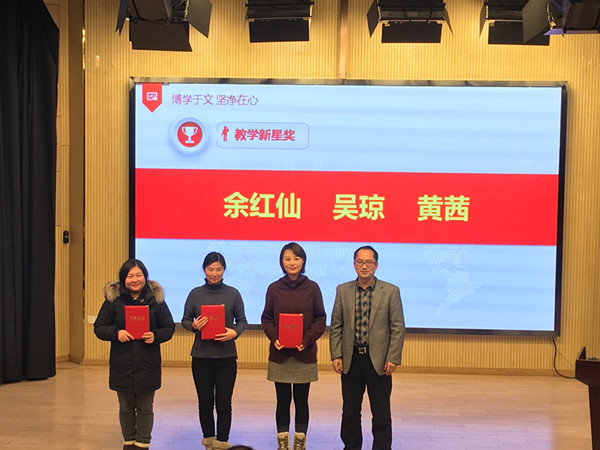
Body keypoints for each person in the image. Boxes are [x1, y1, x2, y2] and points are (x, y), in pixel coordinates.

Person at [329, 245, 406, 450]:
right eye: (360, 262)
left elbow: (397, 327)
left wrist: (393, 357)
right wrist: (336, 354)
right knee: (350, 411)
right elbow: (336, 325)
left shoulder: (390, 291)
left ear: (376, 265)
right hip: (351, 359)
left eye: (369, 262)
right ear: (354, 264)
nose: (364, 266)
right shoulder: (343, 290)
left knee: (381, 412)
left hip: (379, 361)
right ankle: (351, 446)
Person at [94, 259, 175, 450]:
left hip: (148, 363)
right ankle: (128, 442)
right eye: (130, 276)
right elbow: (99, 328)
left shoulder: (156, 301)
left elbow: (169, 328)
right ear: (123, 279)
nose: (135, 279)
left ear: (145, 277)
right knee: (126, 407)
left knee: (145, 407)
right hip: (122, 364)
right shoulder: (114, 301)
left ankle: (142, 443)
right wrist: (116, 333)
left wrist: (155, 336)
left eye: (139, 275)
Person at [261, 242, 327, 450]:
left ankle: (299, 442)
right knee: (282, 400)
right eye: (287, 259)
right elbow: (267, 318)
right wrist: (275, 338)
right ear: (281, 262)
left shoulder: (312, 288)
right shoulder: (274, 288)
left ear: (303, 261)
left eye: (296, 258)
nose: (292, 263)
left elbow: (320, 319)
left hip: (304, 353)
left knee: (301, 400)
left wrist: (306, 340)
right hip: (280, 354)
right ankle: (282, 442)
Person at [182, 252, 248, 450]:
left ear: (224, 270)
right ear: (204, 270)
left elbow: (242, 321)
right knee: (204, 402)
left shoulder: (233, 294)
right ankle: (209, 441)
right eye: (210, 269)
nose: (214, 273)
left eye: (218, 269)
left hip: (226, 357)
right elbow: (185, 320)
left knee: (224, 403)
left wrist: (234, 333)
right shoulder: (195, 294)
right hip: (201, 357)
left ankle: (222, 442)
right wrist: (194, 326)